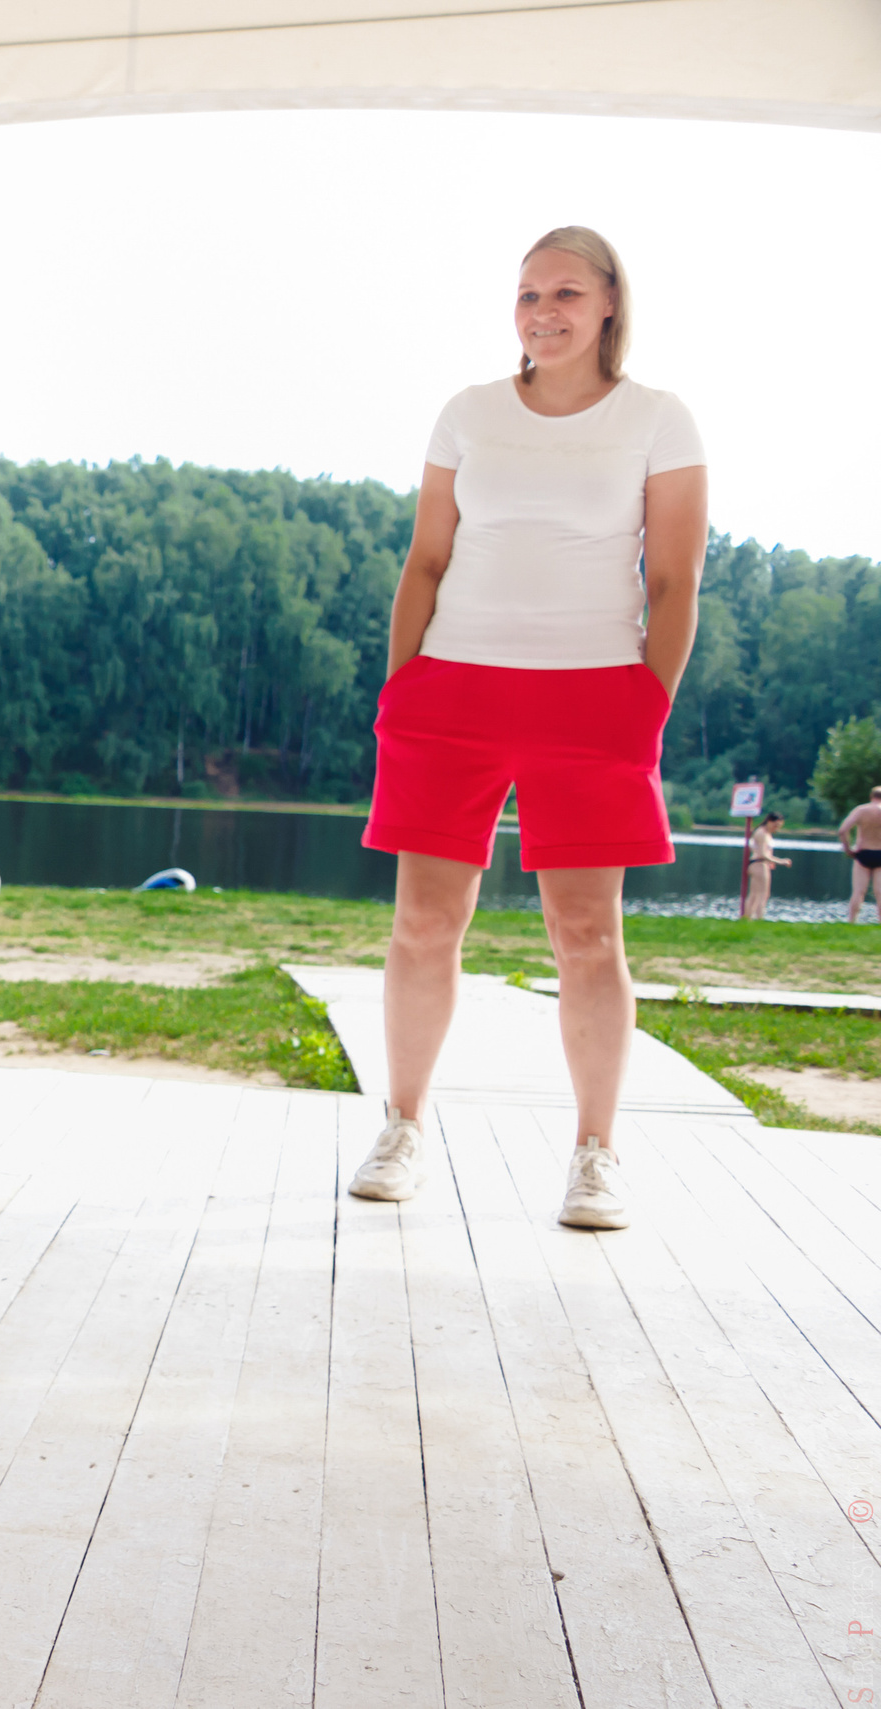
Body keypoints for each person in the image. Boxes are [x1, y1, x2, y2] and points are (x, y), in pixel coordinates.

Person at [349, 226, 705, 1233]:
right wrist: (400, 692)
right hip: (449, 693)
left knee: (586, 936)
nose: (540, 311)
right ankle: (402, 1125)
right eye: (525, 294)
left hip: (593, 695)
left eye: (562, 293)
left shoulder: (656, 419)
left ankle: (596, 1152)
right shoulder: (467, 414)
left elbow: (674, 580)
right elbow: (424, 561)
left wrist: (646, 704)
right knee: (423, 925)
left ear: (605, 307)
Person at [841, 787, 881, 923]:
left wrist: (848, 849)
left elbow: (843, 830)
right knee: (879, 892)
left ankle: (852, 921)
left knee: (858, 891)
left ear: (871, 796)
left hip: (863, 852)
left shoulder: (861, 810)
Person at [741, 813, 790, 921]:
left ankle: (747, 918)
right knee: (762, 894)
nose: (776, 828)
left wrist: (771, 862)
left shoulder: (764, 832)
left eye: (779, 826)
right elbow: (763, 854)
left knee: (755, 894)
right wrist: (781, 862)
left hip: (758, 864)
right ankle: (758, 918)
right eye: (775, 825)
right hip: (759, 864)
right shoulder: (762, 833)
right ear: (769, 822)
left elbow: (766, 854)